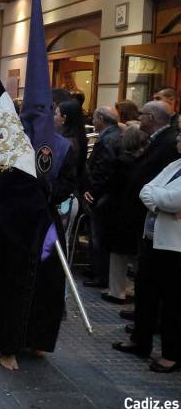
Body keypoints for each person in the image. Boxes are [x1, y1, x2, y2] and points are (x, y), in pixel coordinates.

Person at [0, 0, 67, 371]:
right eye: (35, 110)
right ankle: (8, 344)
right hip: (16, 227)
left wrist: (54, 199)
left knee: (48, 285)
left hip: (48, 227)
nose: (42, 115)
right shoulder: (11, 143)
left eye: (46, 109)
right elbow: (1, 184)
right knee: (14, 284)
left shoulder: (64, 146)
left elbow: (71, 182)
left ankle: (36, 338)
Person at [112, 117, 181, 373]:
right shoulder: (175, 163)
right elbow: (146, 189)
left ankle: (172, 354)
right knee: (146, 293)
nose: (177, 139)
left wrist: (160, 200)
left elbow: (174, 199)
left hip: (175, 247)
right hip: (153, 238)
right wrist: (159, 202)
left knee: (173, 301)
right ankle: (140, 340)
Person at [103, 124, 148, 303]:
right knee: (136, 255)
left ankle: (116, 291)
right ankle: (137, 291)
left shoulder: (120, 162)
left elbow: (112, 187)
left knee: (118, 255)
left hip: (119, 212)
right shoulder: (145, 162)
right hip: (138, 212)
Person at [82, 107, 121, 294]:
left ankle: (100, 274)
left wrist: (93, 191)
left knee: (98, 236)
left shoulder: (107, 138)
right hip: (106, 194)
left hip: (102, 196)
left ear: (100, 119)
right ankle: (98, 271)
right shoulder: (114, 135)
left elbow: (103, 169)